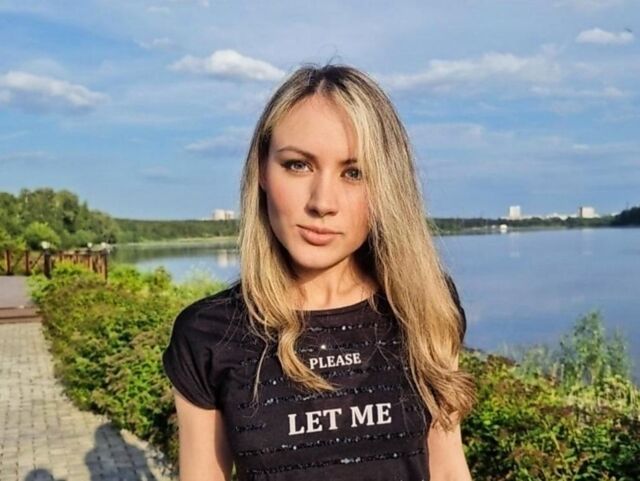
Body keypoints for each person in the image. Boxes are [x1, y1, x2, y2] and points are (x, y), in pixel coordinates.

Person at [162, 63, 477, 481]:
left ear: (388, 187)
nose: (323, 203)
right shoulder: (208, 334)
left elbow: (448, 468)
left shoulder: (423, 304)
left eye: (354, 173)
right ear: (262, 170)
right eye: (298, 165)